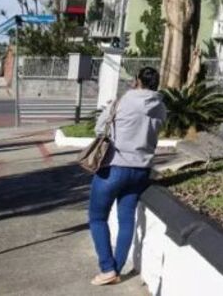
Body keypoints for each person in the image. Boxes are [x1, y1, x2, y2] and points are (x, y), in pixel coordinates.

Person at [87, 67, 167, 286]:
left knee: (97, 218)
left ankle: (107, 268)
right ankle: (117, 268)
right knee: (126, 220)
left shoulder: (123, 101)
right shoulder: (161, 106)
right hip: (141, 171)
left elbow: (99, 128)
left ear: (137, 81)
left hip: (113, 167)